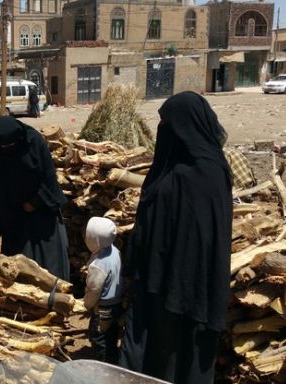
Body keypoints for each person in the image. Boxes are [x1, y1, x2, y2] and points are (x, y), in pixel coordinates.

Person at [119, 91, 232, 384]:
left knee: (181, 358)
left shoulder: (207, 172)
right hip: (157, 281)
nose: (162, 131)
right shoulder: (170, 167)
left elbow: (205, 237)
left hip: (189, 288)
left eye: (167, 124)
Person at [0, 115, 70, 281]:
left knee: (49, 267)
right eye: (3, 146)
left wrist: (35, 201)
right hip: (12, 215)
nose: (7, 148)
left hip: (42, 214)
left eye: (11, 145)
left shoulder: (34, 142)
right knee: (16, 266)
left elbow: (48, 177)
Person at [83, 217, 123, 364]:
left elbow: (94, 289)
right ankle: (112, 357)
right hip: (116, 303)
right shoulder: (115, 251)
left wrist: (87, 304)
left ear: (95, 239)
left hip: (103, 307)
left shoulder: (98, 264)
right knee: (111, 333)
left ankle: (103, 363)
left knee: (98, 335)